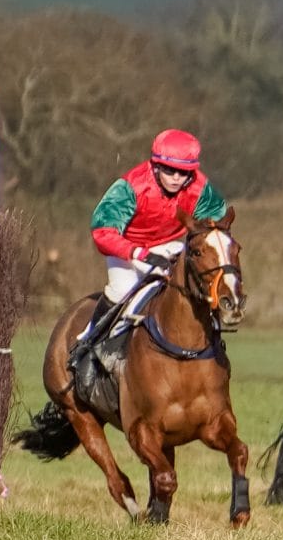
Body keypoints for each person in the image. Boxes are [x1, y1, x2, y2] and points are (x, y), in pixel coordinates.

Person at [75, 129, 227, 377]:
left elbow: (217, 219)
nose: (176, 178)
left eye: (184, 173)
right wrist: (137, 252)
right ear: (155, 165)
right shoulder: (130, 187)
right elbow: (103, 231)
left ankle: (214, 341)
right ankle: (91, 345)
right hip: (126, 247)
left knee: (200, 279)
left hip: (169, 244)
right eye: (169, 170)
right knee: (121, 290)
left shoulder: (199, 187)